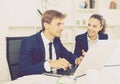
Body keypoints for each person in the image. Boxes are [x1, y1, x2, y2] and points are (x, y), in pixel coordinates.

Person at [19, 10, 81, 77]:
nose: (62, 28)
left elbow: (67, 54)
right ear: (46, 25)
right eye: (58, 24)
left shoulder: (56, 40)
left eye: (62, 24)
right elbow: (24, 70)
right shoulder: (29, 42)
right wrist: (50, 64)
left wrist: (77, 60)